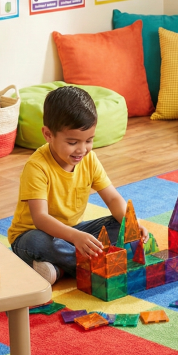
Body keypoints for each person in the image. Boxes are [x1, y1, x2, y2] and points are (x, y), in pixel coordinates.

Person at [9, 85, 147, 284]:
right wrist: (75, 237)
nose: (82, 150)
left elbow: (112, 198)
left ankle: (60, 268)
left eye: (89, 140)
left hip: (72, 232)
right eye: (73, 142)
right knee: (38, 241)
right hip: (33, 236)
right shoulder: (37, 167)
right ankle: (93, 264)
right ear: (48, 134)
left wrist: (132, 224)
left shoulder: (89, 159)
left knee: (120, 225)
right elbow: (40, 219)